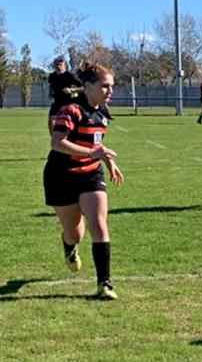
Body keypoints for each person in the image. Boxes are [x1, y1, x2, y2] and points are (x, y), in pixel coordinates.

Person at [44, 61, 123, 300]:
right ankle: (69, 247)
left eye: (112, 86)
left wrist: (108, 160)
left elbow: (96, 143)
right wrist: (92, 153)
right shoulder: (71, 110)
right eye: (105, 86)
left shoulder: (103, 113)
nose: (110, 91)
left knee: (99, 225)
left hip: (90, 174)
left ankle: (105, 284)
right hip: (61, 175)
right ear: (87, 86)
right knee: (75, 233)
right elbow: (57, 142)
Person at [47, 56, 84, 135]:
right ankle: (55, 141)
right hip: (57, 103)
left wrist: (72, 90)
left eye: (61, 65)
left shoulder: (70, 76)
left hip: (68, 104)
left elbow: (83, 87)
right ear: (54, 66)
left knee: (66, 126)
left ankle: (67, 140)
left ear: (65, 66)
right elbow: (52, 87)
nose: (59, 67)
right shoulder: (51, 76)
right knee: (51, 123)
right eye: (57, 65)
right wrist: (51, 93)